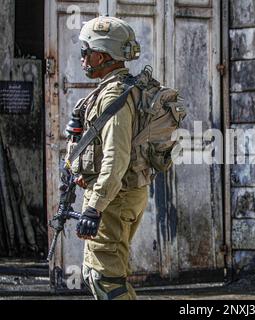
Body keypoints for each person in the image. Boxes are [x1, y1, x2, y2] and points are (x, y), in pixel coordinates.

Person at [67, 16, 151, 300]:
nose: (82, 57)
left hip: (114, 198)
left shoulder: (115, 93)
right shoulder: (120, 87)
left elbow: (116, 156)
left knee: (106, 281)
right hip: (118, 193)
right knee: (100, 276)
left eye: (85, 51)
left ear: (100, 55)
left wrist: (95, 207)